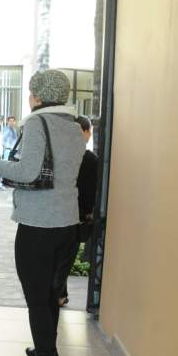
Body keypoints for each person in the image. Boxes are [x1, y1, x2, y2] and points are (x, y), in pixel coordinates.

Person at [0, 69, 85, 356]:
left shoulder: (36, 123)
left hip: (38, 225)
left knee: (37, 297)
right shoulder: (74, 126)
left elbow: (29, 172)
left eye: (31, 93)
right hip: (67, 223)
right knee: (51, 294)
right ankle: (47, 353)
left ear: (38, 97)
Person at [56, 115, 99, 306]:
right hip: (77, 217)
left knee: (58, 257)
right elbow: (94, 192)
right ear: (87, 133)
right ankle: (57, 294)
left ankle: (59, 294)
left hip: (57, 212)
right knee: (65, 258)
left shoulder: (59, 156)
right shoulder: (91, 160)